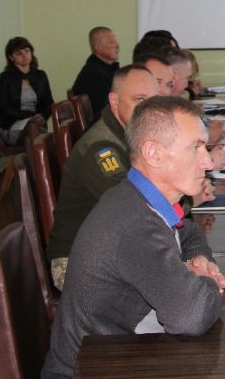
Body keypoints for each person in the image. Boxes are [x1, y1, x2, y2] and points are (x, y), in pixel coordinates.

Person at [42, 96, 225, 378]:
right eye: (195, 148)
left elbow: (188, 231)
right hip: (90, 368)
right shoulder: (136, 224)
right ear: (153, 153)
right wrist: (208, 281)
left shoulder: (138, 197)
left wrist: (198, 258)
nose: (208, 162)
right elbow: (191, 315)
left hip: (120, 354)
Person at [48, 65, 161, 290]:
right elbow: (134, 206)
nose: (148, 110)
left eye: (153, 101)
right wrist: (185, 199)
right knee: (173, 284)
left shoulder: (132, 133)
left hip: (113, 245)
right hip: (76, 262)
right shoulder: (101, 147)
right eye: (139, 100)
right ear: (114, 101)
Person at [0, 37, 54, 144]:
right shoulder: (5, 78)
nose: (24, 55)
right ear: (11, 57)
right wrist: (29, 116)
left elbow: (49, 103)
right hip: (12, 125)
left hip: (37, 122)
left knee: (37, 131)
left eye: (27, 51)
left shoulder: (40, 75)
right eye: (19, 53)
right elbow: (4, 107)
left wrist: (43, 117)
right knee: (33, 130)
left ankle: (37, 154)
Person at [71, 26, 120, 121]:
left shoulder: (108, 69)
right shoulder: (94, 75)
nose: (117, 45)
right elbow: (108, 110)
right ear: (98, 47)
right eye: (112, 42)